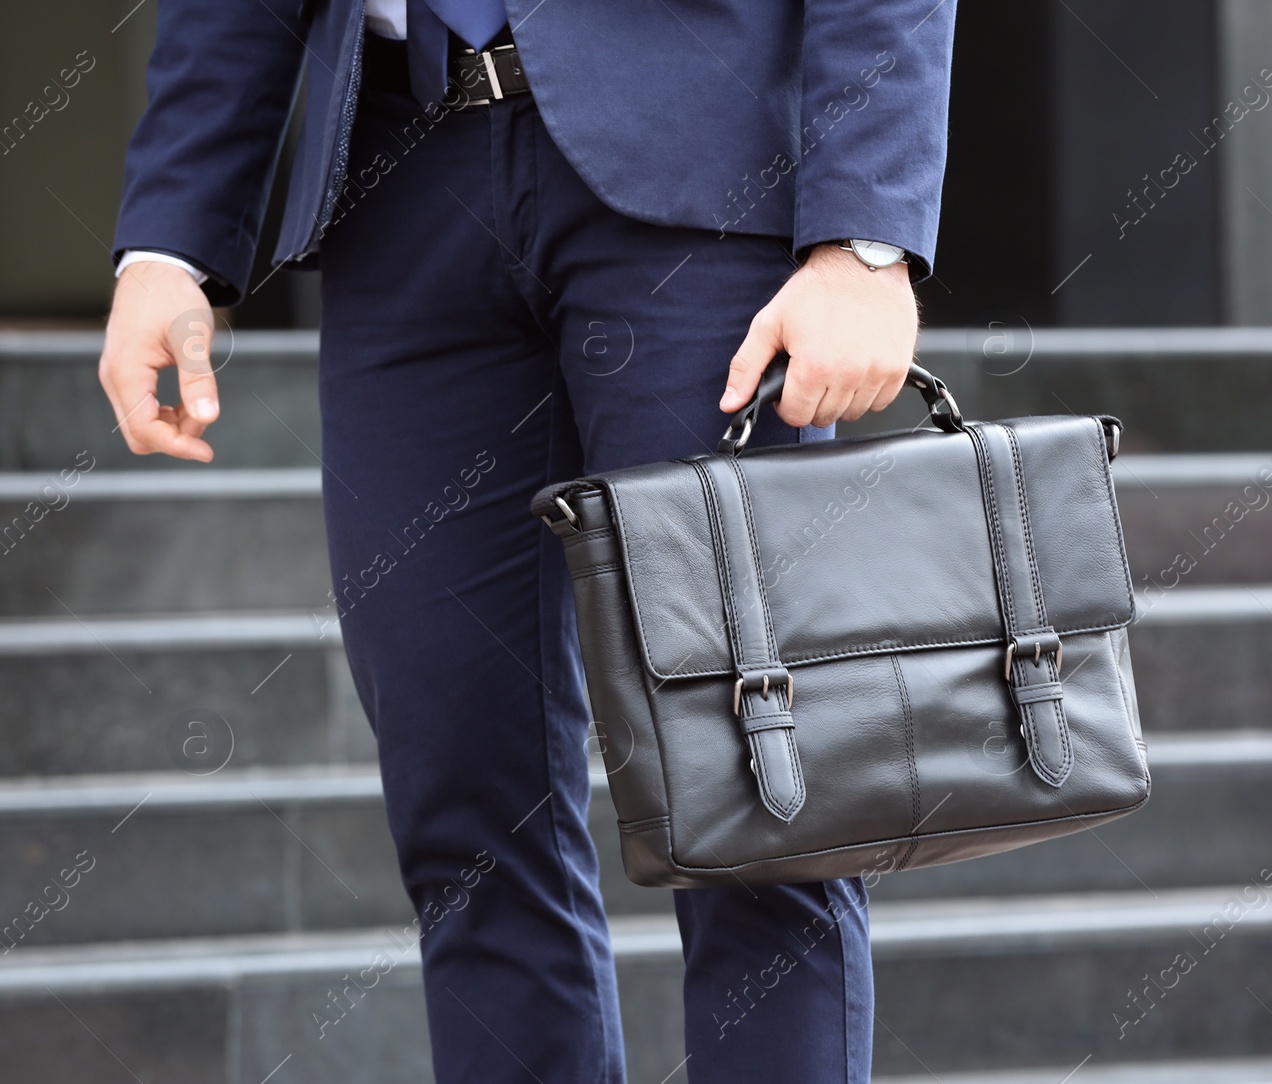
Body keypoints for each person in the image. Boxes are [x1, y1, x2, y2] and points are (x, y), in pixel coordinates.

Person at [98, 1, 954, 1079]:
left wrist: (862, 239)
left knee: (756, 793)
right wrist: (171, 238)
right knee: (462, 805)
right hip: (400, 191)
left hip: (703, 188)